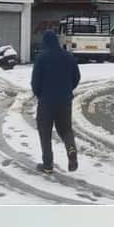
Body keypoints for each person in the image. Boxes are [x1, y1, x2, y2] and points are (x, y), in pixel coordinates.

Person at [30, 30, 81, 174]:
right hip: (65, 101)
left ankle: (47, 165)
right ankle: (71, 150)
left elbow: (35, 83)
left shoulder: (41, 58)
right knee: (66, 129)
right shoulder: (68, 56)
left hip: (46, 102)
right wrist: (67, 90)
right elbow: (76, 77)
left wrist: (39, 94)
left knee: (45, 132)